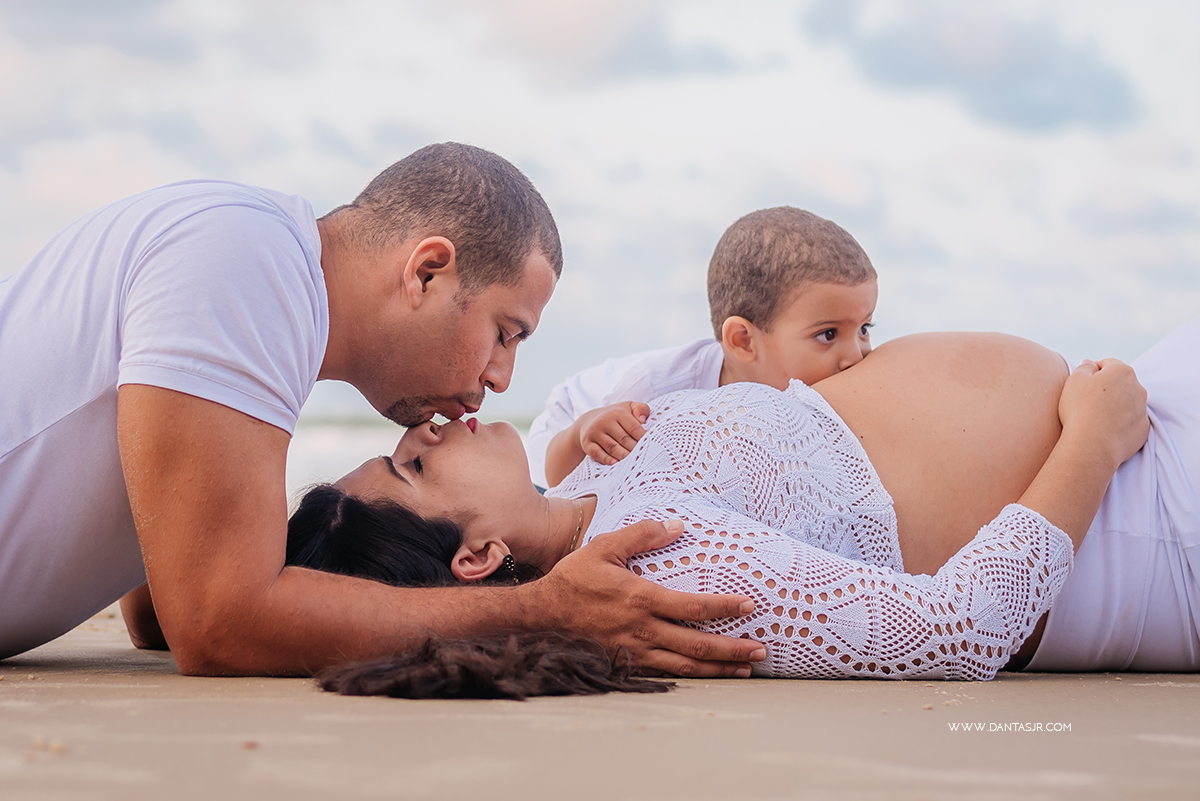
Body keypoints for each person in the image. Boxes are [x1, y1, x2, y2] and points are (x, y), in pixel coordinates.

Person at [0, 143, 764, 678]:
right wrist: (541, 609)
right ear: (427, 271)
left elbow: (155, 615)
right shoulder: (246, 261)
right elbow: (212, 624)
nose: (501, 377)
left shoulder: (260, 290)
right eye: (505, 332)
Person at [291, 317, 1200, 681]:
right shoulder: (658, 567)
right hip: (1148, 519)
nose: (428, 430)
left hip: (1142, 421)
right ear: (477, 556)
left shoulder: (587, 476)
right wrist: (1093, 439)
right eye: (413, 469)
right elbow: (957, 632)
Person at [526, 207, 878, 488]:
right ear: (743, 341)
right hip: (564, 437)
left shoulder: (814, 391)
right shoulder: (654, 395)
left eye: (864, 328)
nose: (856, 357)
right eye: (828, 335)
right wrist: (578, 434)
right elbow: (561, 478)